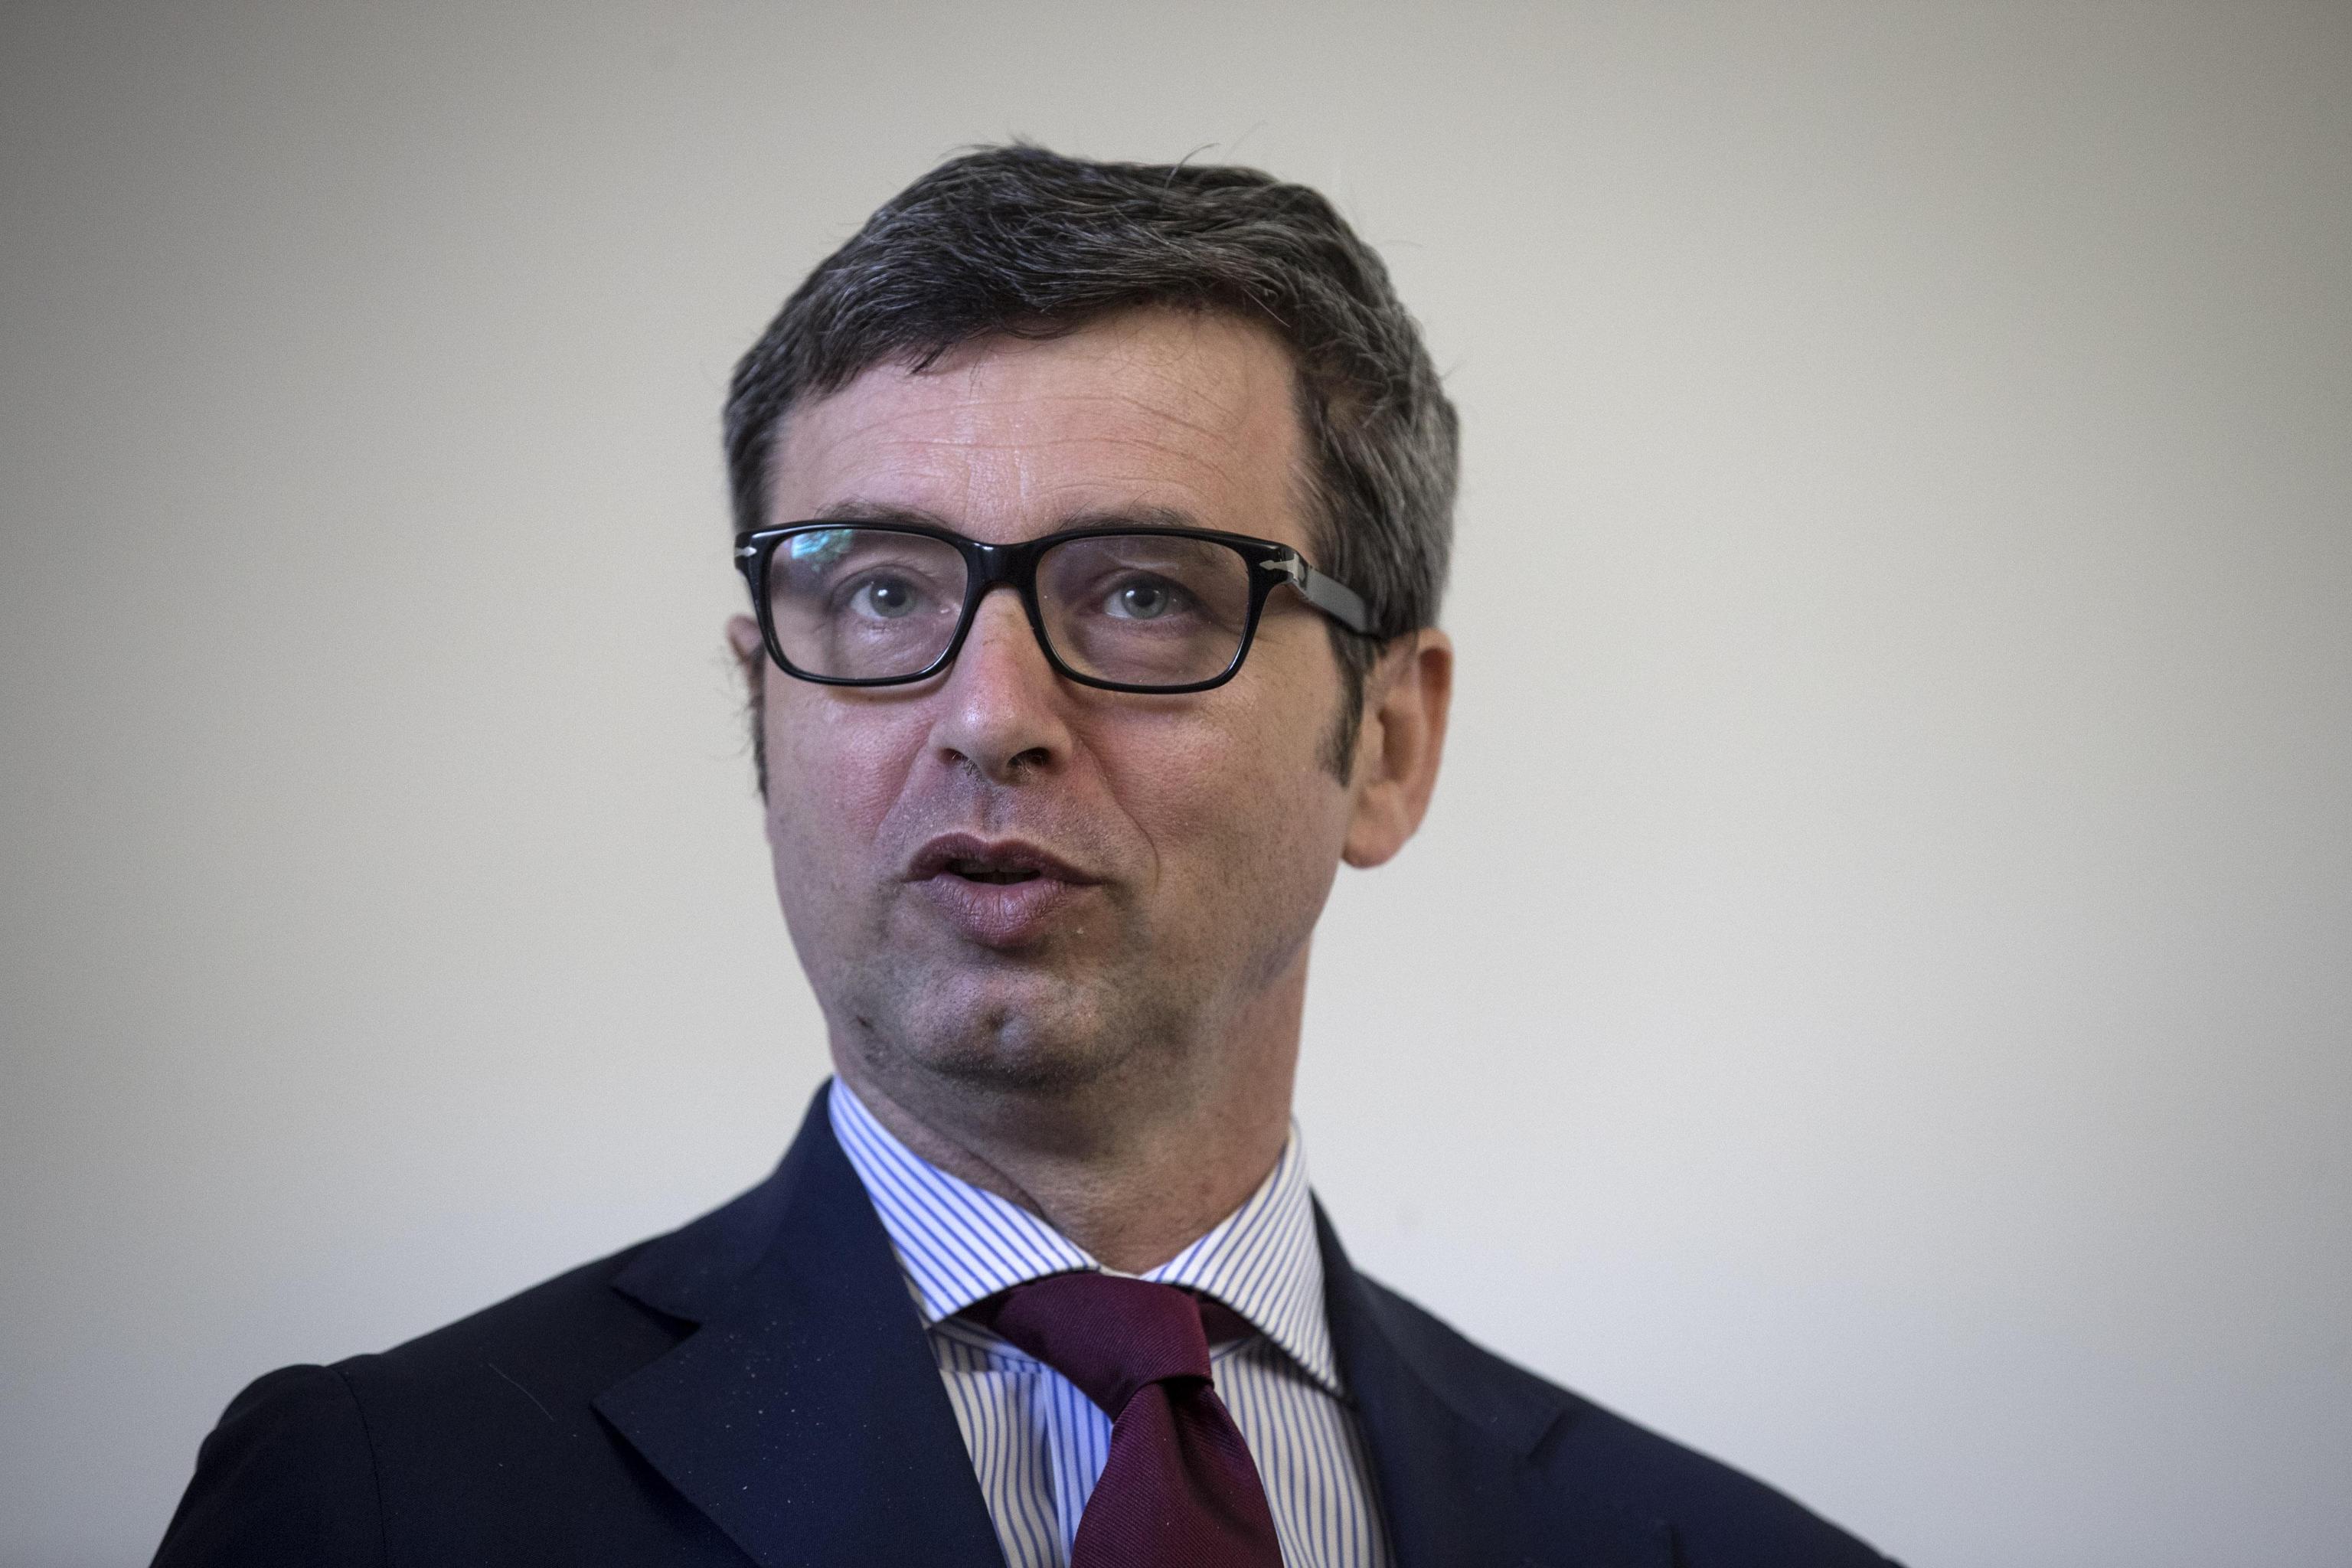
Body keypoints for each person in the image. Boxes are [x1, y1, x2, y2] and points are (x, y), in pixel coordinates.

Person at [152, 145, 1900, 1568]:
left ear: (1387, 742)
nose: (991, 714)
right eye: (882, 591)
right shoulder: (376, 1507)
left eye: (1142, 592)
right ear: (764, 708)